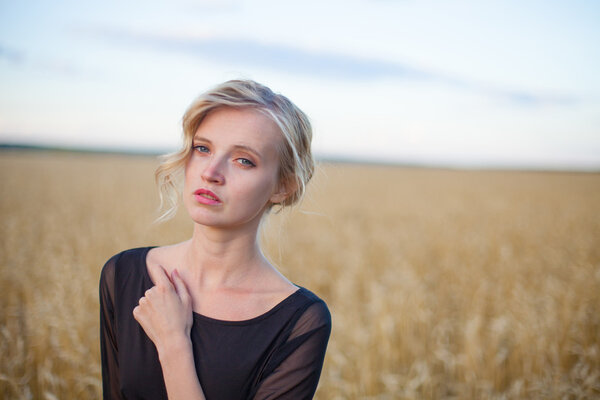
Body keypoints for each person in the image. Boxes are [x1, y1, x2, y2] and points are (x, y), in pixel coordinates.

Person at [99, 80, 331, 400]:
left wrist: (173, 346)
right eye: (202, 148)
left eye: (243, 160)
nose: (210, 172)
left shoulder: (300, 321)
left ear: (283, 186)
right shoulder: (123, 274)